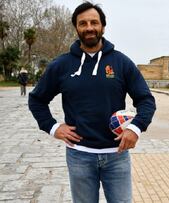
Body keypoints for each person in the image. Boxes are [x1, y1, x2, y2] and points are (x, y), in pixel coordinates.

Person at [28, 2, 156, 202]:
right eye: (83, 23)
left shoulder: (121, 62)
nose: (89, 27)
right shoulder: (61, 65)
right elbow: (36, 99)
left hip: (117, 156)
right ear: (76, 28)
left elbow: (146, 99)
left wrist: (135, 129)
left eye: (94, 22)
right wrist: (53, 127)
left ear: (103, 27)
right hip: (79, 155)